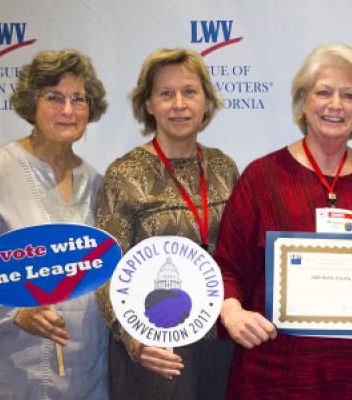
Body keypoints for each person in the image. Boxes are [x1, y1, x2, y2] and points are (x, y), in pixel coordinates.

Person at [213, 43, 352, 399]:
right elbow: (227, 268)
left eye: (349, 95)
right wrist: (231, 313)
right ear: (304, 101)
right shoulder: (262, 177)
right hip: (275, 374)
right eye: (324, 92)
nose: (335, 105)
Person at [0, 49, 109, 399]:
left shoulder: (95, 182)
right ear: (31, 104)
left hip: (88, 376)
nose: (68, 110)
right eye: (54, 97)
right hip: (11, 375)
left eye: (78, 98)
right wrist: (15, 312)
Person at [94, 48, 238, 400]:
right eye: (165, 93)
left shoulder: (224, 168)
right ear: (148, 104)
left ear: (207, 102)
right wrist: (135, 341)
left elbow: (239, 256)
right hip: (154, 348)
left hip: (220, 341)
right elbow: (105, 267)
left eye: (190, 92)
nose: (178, 104)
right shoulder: (124, 174)